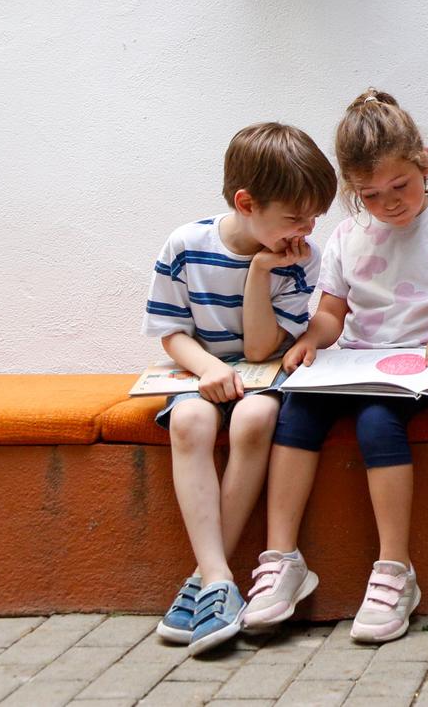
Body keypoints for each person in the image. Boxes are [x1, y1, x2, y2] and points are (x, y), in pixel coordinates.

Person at [242, 90, 428, 644]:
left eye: (401, 186)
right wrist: (309, 341)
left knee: (375, 421)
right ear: (351, 190)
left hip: (424, 366)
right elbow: (331, 314)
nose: (390, 204)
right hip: (356, 361)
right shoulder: (348, 236)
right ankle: (282, 559)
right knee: (297, 410)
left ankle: (394, 570)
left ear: (424, 163)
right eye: (370, 195)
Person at [143, 123, 334, 655]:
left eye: (314, 217)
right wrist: (207, 368)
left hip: (261, 373)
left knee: (255, 418)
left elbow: (260, 349)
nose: (307, 229)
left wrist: (260, 271)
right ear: (247, 203)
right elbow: (171, 332)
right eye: (295, 217)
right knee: (189, 420)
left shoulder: (299, 256)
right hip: (199, 369)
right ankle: (217, 578)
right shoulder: (186, 244)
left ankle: (207, 582)